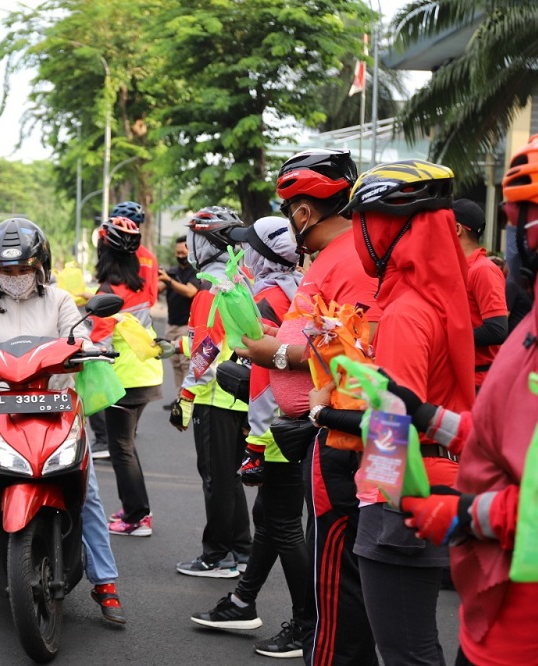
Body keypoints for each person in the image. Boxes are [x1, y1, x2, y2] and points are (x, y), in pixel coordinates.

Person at [393, 126, 538, 666]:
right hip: (499, 616)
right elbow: (518, 441)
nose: (509, 238)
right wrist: (432, 419)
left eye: (517, 222)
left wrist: (464, 515)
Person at [308, 159, 474, 665]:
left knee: (407, 652)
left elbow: (393, 420)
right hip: (443, 476)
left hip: (403, 493)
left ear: (383, 227)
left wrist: (379, 506)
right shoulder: (441, 298)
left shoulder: (405, 313)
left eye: (360, 222)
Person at [0, 217, 125, 624]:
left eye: (23, 269)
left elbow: (79, 335)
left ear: (40, 266)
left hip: (56, 406)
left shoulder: (59, 301)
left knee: (87, 494)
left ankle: (104, 582)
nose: (15, 277)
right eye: (7, 270)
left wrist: (89, 347)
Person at [236, 148, 380, 664]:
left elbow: (355, 349)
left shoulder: (349, 260)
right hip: (324, 428)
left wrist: (270, 350)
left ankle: (315, 637)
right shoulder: (337, 257)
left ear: (303, 212)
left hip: (342, 435)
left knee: (338, 581)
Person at [191, 216, 308, 660]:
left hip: (279, 425)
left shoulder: (263, 296)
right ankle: (242, 601)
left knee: (281, 523)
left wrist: (256, 442)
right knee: (271, 516)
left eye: (249, 246)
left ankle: (306, 622)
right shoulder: (298, 285)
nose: (244, 253)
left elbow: (262, 374)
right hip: (299, 418)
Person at [171, 206, 252, 577]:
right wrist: (183, 346)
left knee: (215, 478)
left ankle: (217, 555)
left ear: (206, 242)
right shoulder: (242, 277)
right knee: (230, 475)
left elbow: (206, 351)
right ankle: (241, 549)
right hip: (241, 391)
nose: (189, 243)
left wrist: (185, 398)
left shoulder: (209, 291)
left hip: (214, 396)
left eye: (194, 237)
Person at [91, 216, 163, 537]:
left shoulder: (107, 290)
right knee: (128, 447)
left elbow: (101, 345)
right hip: (147, 374)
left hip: (123, 380)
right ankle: (136, 508)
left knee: (121, 450)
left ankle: (136, 517)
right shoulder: (139, 287)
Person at [453, 198, 508, 391]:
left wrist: (447, 338)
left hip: (480, 383)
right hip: (464, 378)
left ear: (457, 229)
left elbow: (497, 329)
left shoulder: (483, 270)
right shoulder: (460, 269)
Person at [157, 235, 200, 410]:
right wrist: (156, 276)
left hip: (186, 326)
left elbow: (190, 292)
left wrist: (169, 281)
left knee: (186, 364)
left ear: (190, 251)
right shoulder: (173, 271)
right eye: (177, 252)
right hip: (171, 324)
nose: (180, 255)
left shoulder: (195, 272)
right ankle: (179, 399)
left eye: (183, 252)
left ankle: (188, 402)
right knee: (175, 364)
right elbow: (156, 289)